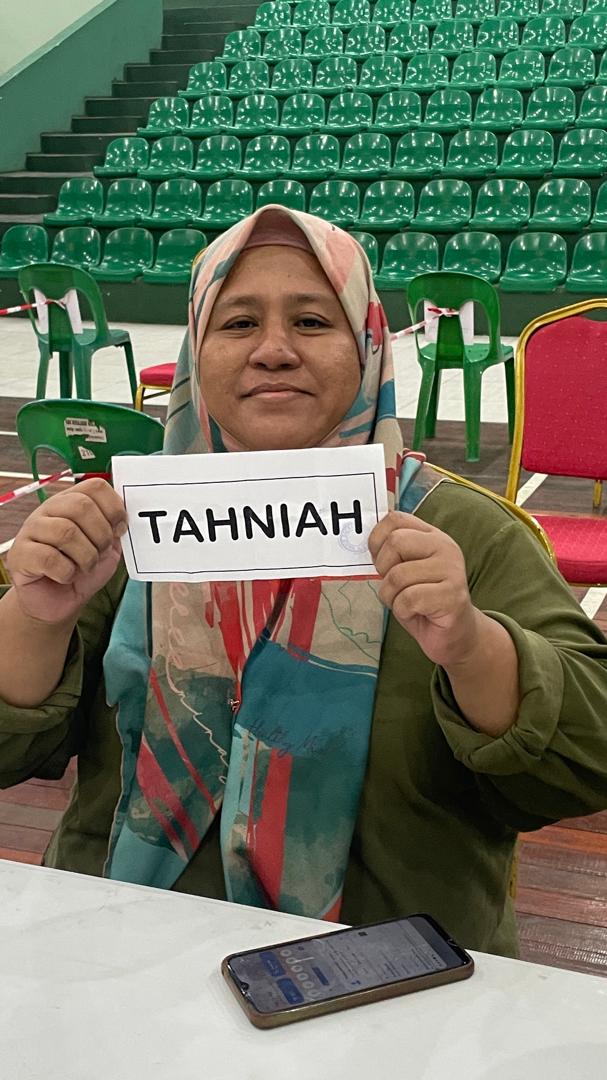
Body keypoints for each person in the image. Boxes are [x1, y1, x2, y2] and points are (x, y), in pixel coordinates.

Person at [0, 206, 606, 957]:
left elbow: (585, 763)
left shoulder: (463, 534)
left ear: (368, 344)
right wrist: (37, 614)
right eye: (238, 323)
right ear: (196, 347)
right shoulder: (122, 525)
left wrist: (471, 646)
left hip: (384, 974)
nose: (274, 351)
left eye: (312, 322)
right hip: (121, 954)